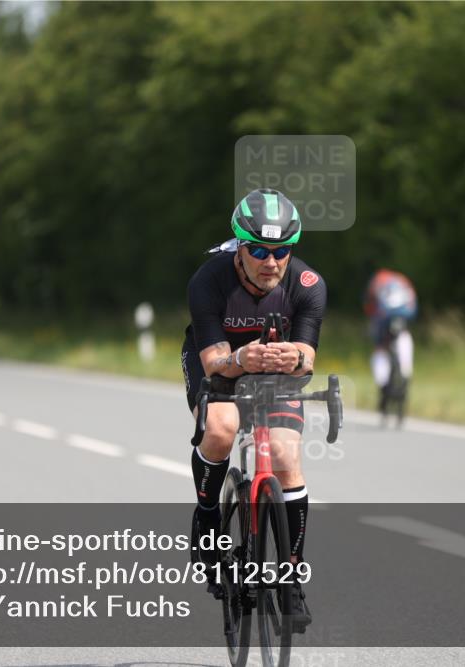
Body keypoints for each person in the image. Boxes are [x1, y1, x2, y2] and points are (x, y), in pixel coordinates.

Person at [181, 188, 326, 632]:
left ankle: (292, 577)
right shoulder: (209, 281)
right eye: (259, 250)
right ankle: (207, 514)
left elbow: (307, 353)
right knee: (222, 428)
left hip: (273, 374)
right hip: (223, 364)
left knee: (285, 456)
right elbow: (214, 363)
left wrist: (295, 359)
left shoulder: (308, 285)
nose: (271, 261)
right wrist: (242, 360)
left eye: (281, 250)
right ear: (238, 248)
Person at [364, 269, 417, 422]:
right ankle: (403, 382)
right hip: (399, 330)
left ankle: (384, 388)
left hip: (387, 330)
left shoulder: (379, 285)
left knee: (380, 353)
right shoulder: (402, 283)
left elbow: (369, 308)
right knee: (404, 358)